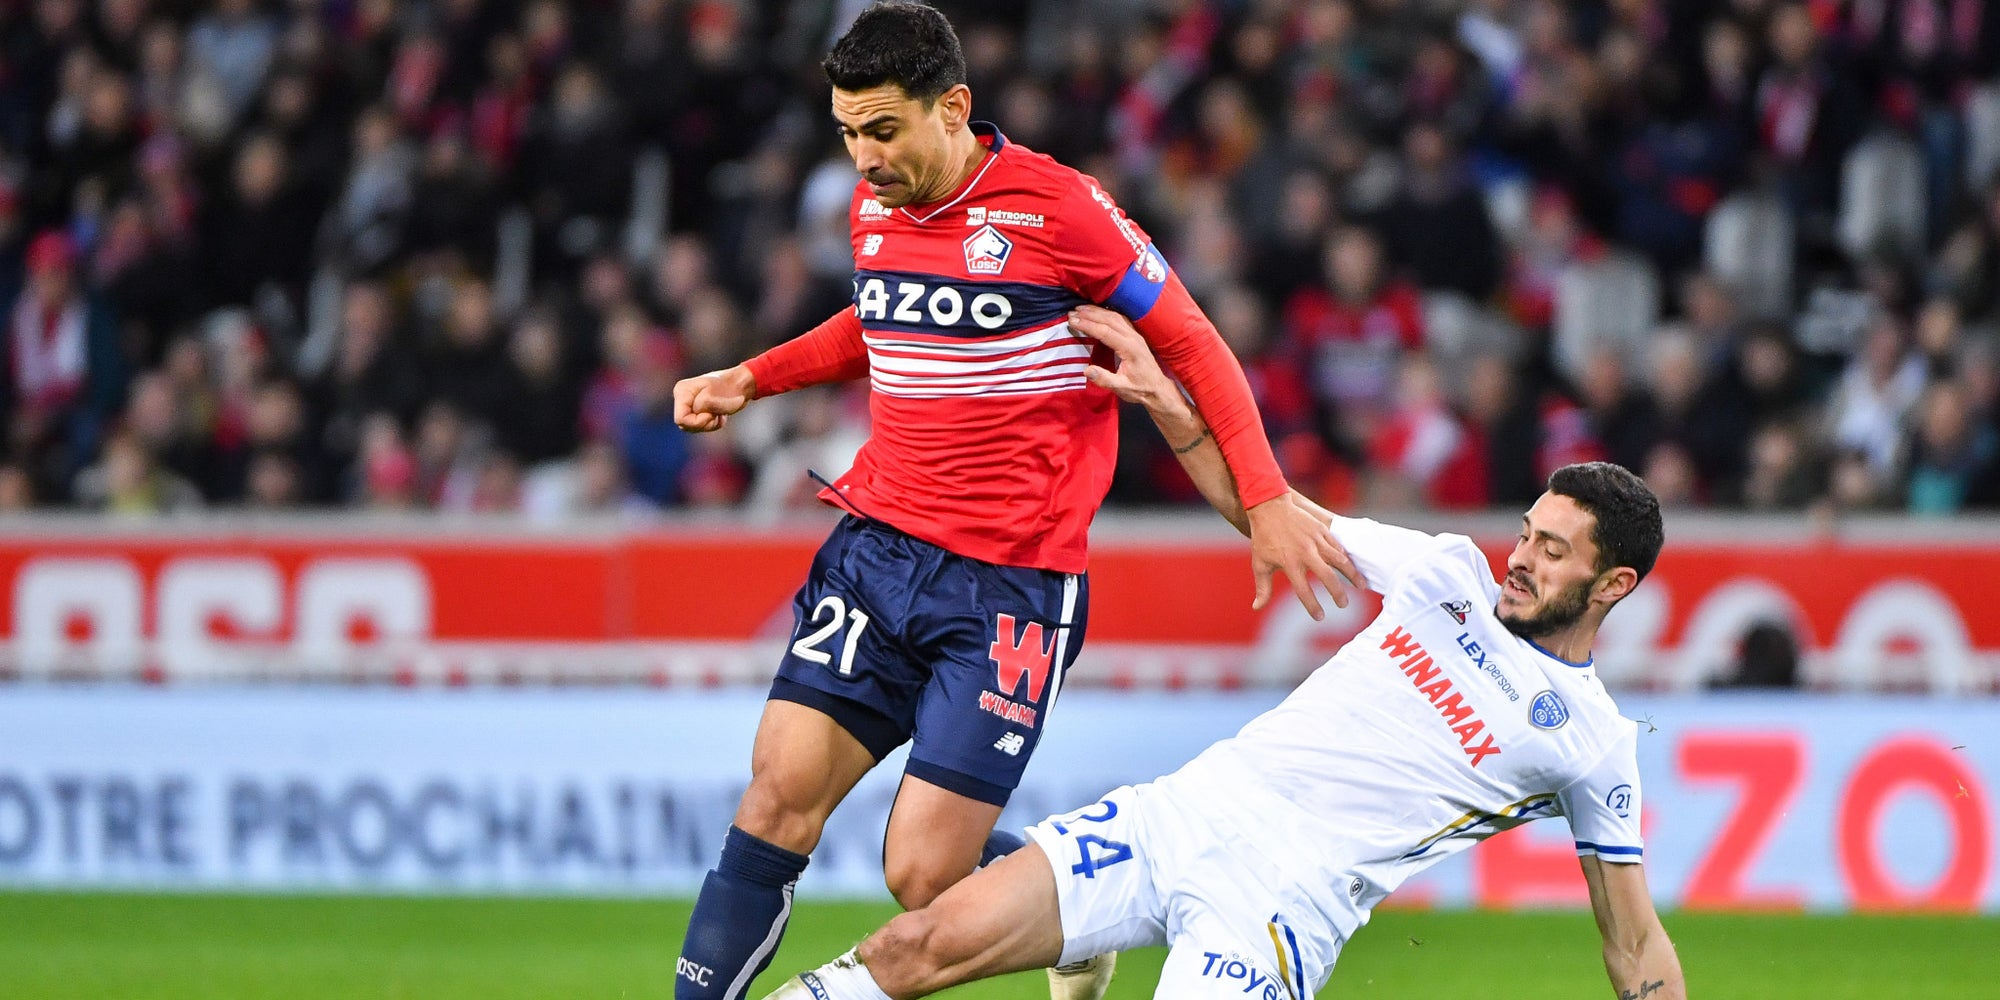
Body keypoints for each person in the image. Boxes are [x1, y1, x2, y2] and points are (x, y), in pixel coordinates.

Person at [670, 7, 1354, 1000]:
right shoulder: (874, 206)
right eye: (847, 133)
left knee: (922, 875)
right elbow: (879, 318)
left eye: (883, 130)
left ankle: (1071, 910)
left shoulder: (1060, 208)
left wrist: (1267, 496)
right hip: (876, 553)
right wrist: (752, 376)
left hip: (1009, 587)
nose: (863, 158)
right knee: (774, 802)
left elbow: (1193, 342)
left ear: (953, 107)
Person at [750, 311, 1687, 1000]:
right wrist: (1169, 404)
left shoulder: (1591, 741)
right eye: (1527, 534)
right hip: (1177, 815)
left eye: (1553, 552)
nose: (1520, 559)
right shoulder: (1445, 574)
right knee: (908, 949)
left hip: (1277, 908)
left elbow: (1635, 942)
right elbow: (1270, 513)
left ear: (1614, 585)